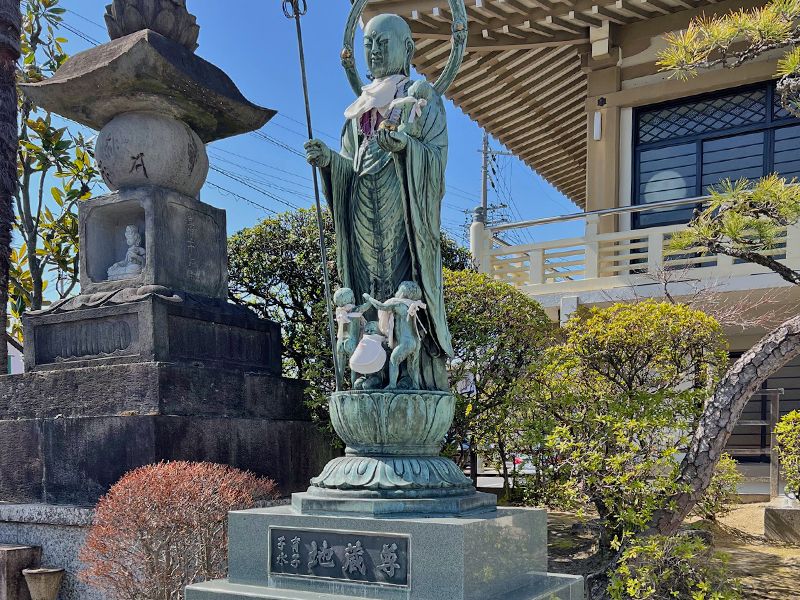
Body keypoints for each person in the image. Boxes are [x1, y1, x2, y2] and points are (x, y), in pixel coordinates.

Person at [305, 13, 453, 391]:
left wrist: (407, 148)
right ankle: (369, 368)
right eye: (368, 44)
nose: (373, 51)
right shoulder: (359, 111)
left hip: (403, 207)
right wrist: (329, 162)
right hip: (360, 211)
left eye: (383, 43)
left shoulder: (420, 100)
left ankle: (407, 373)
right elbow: (349, 165)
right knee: (366, 287)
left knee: (401, 288)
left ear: (407, 48)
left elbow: (435, 157)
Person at [362, 281, 426, 390]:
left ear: (403, 293)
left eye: (398, 290)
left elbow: (381, 306)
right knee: (413, 366)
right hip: (415, 342)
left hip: (406, 342)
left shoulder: (399, 304)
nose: (396, 292)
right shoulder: (411, 305)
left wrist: (369, 298)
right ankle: (416, 386)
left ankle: (392, 385)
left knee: (394, 360)